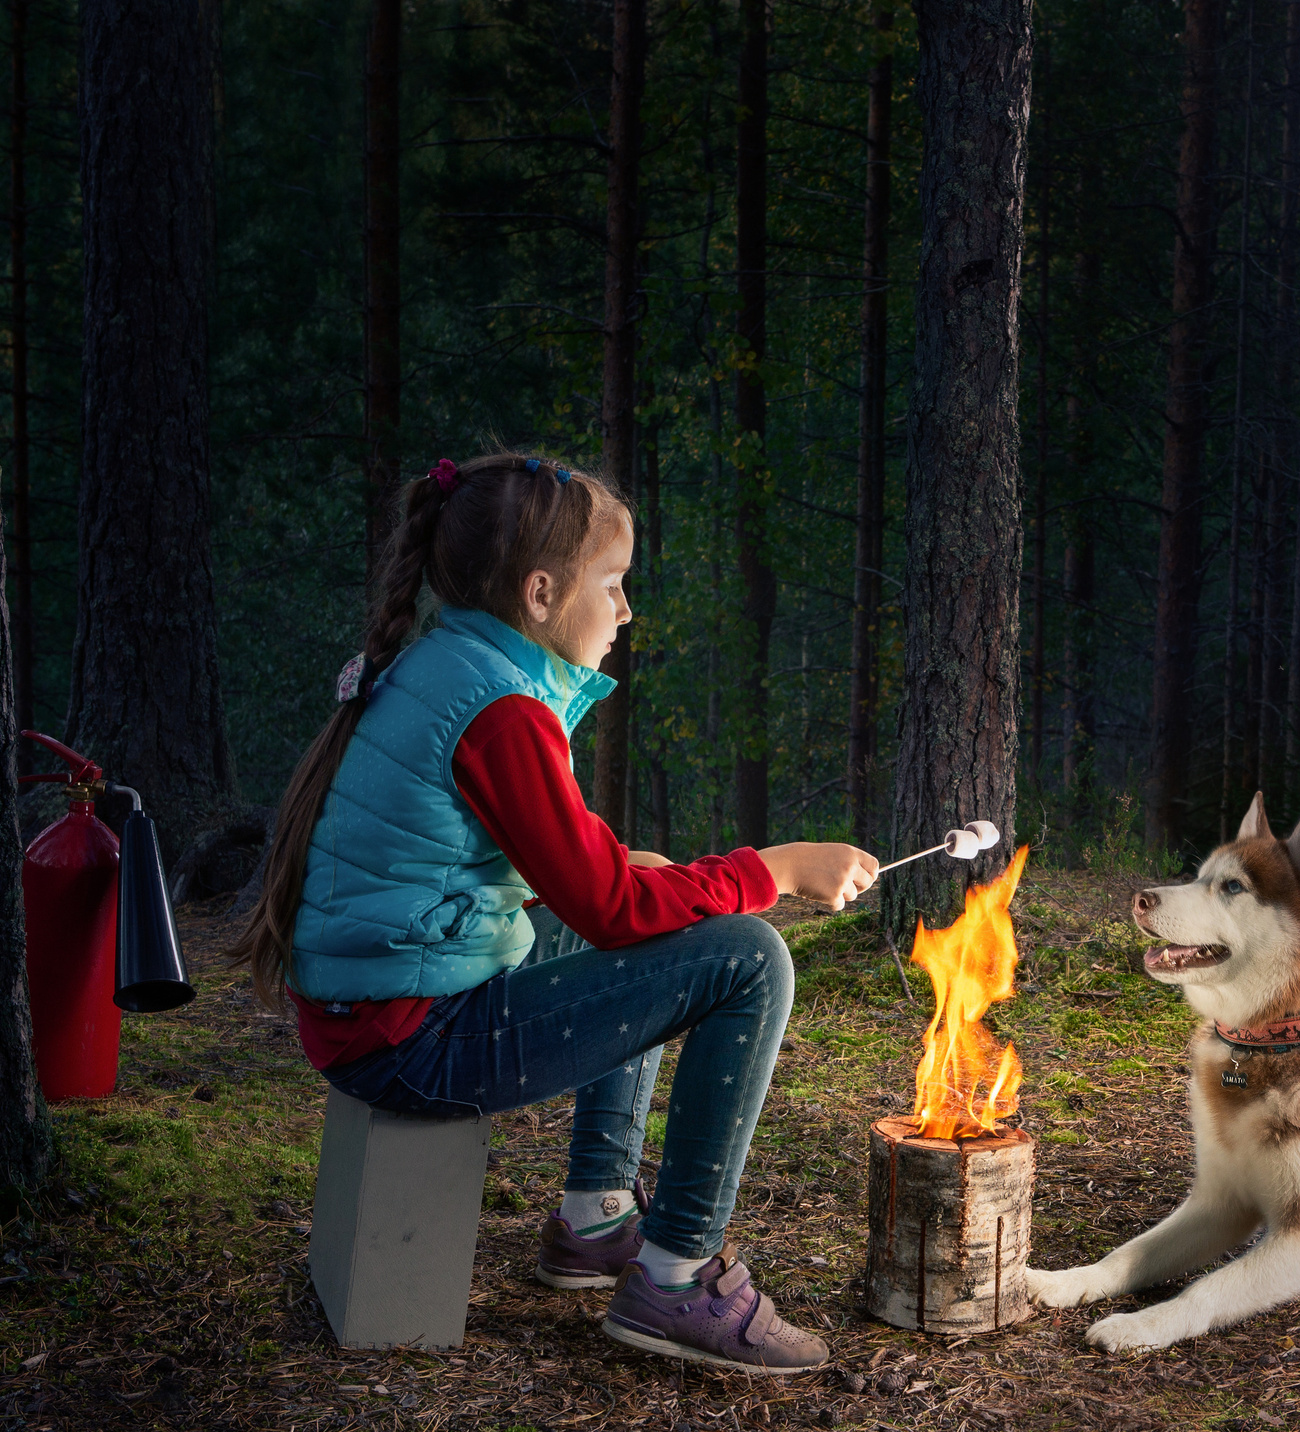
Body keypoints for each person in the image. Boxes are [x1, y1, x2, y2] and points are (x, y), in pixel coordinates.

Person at [235, 451, 877, 1374]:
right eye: (612, 586)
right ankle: (679, 1278)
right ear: (540, 593)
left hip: (374, 1014)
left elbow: (467, 856)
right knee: (747, 955)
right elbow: (612, 910)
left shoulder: (445, 666)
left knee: (655, 905)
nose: (625, 611)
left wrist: (627, 871)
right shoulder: (502, 709)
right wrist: (773, 868)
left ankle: (596, 1217)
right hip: (412, 1040)